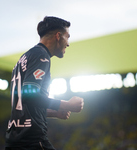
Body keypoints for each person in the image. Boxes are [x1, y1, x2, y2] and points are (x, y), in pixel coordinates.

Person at [5, 16, 84, 150]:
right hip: (31, 141)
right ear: (58, 36)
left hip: (16, 140)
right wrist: (67, 105)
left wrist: (55, 112)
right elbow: (29, 96)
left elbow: (25, 104)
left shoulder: (25, 57)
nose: (68, 43)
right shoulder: (41, 56)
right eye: (68, 36)